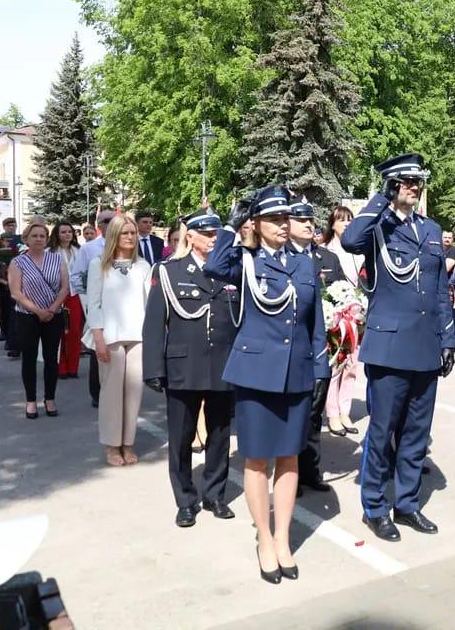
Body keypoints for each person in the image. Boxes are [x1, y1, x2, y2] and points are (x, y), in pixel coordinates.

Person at [205, 185, 329, 583]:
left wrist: (320, 368)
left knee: (290, 457)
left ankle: (282, 537)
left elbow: (314, 321)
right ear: (256, 223)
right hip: (256, 373)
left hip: (296, 372)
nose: (282, 224)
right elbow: (213, 267)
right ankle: (263, 538)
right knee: (257, 459)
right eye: (273, 219)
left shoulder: (304, 263)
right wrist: (231, 225)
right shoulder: (245, 260)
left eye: (284, 217)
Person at [342, 153, 455, 542]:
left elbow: (440, 288)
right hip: (389, 346)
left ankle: (407, 503)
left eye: (417, 182)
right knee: (382, 431)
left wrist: (447, 338)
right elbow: (349, 240)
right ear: (392, 185)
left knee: (416, 433)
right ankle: (375, 507)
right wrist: (381, 198)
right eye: (405, 182)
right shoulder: (378, 226)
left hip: (424, 346)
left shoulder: (430, 228)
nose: (414, 188)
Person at [143, 209, 237, 528]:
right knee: (181, 437)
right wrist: (154, 368)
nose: (214, 239)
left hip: (223, 364)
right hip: (183, 366)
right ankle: (185, 499)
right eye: (207, 234)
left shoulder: (229, 271)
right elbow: (154, 323)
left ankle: (214, 494)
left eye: (216, 234)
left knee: (220, 435)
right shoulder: (170, 271)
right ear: (191, 236)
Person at [286, 198, 345, 495]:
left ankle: (310, 471)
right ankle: (290, 475)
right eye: (301, 220)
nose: (309, 225)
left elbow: (345, 292)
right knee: (292, 416)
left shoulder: (325, 258)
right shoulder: (280, 257)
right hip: (291, 348)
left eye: (311, 220)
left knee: (313, 415)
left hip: (322, 345)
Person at [86, 215, 151, 467]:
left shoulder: (143, 266)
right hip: (110, 336)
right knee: (111, 393)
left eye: (133, 233)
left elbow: (150, 303)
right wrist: (98, 338)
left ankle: (128, 443)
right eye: (125, 233)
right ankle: (112, 445)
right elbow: (93, 304)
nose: (131, 237)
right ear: (114, 235)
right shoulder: (98, 265)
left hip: (138, 336)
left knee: (134, 393)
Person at [9, 220, 69, 419]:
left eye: (42, 236)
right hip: (27, 316)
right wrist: (38, 311)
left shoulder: (57, 259)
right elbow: (16, 292)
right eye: (34, 236)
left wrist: (51, 309)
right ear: (26, 239)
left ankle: (50, 398)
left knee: (51, 358)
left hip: (53, 315)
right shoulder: (18, 262)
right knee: (29, 358)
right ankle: (30, 401)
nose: (38, 239)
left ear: (47, 239)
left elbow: (64, 287)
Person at [321, 206, 364, 435]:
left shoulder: (359, 250)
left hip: (356, 314)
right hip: (336, 317)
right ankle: (333, 413)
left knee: (352, 365)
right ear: (332, 224)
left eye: (349, 220)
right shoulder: (325, 251)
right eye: (341, 220)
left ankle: (345, 410)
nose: (346, 224)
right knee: (336, 365)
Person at [72, 210, 115, 407]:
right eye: (107, 221)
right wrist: (88, 303)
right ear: (99, 225)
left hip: (117, 306)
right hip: (96, 304)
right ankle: (97, 393)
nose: (112, 223)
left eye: (114, 220)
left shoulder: (126, 246)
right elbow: (77, 276)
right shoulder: (89, 248)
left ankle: (115, 389)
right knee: (98, 346)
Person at [49, 222, 84, 379]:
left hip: (75, 295)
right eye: (63, 232)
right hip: (56, 296)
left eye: (69, 231)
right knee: (59, 332)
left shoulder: (79, 250)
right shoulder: (50, 252)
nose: (67, 234)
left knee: (74, 332)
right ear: (57, 234)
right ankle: (61, 367)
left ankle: (73, 367)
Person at [0, 217, 21, 351]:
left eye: (13, 225)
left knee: (14, 310)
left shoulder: (20, 240)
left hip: (17, 280)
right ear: (4, 227)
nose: (11, 227)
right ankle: (5, 333)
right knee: (4, 309)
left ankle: (13, 339)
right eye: (8, 225)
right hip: (2, 282)